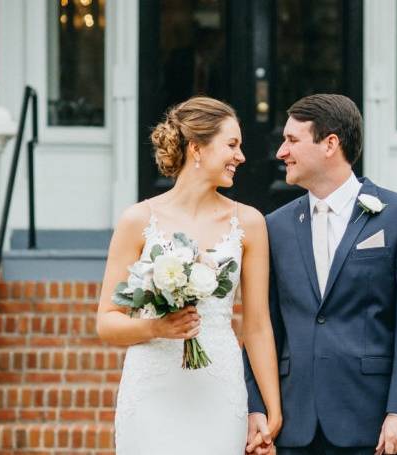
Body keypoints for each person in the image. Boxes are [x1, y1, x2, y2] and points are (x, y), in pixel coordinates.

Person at [244, 94, 397, 455]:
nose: (281, 152)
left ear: (330, 143)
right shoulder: (275, 226)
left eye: (292, 140)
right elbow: (262, 324)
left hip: (371, 423)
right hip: (293, 424)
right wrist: (256, 405)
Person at [96, 97, 282, 454]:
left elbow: (257, 326)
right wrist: (155, 327)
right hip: (151, 392)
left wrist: (272, 411)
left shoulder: (249, 223)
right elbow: (106, 322)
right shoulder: (137, 220)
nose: (241, 156)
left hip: (217, 390)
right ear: (196, 148)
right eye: (232, 145)